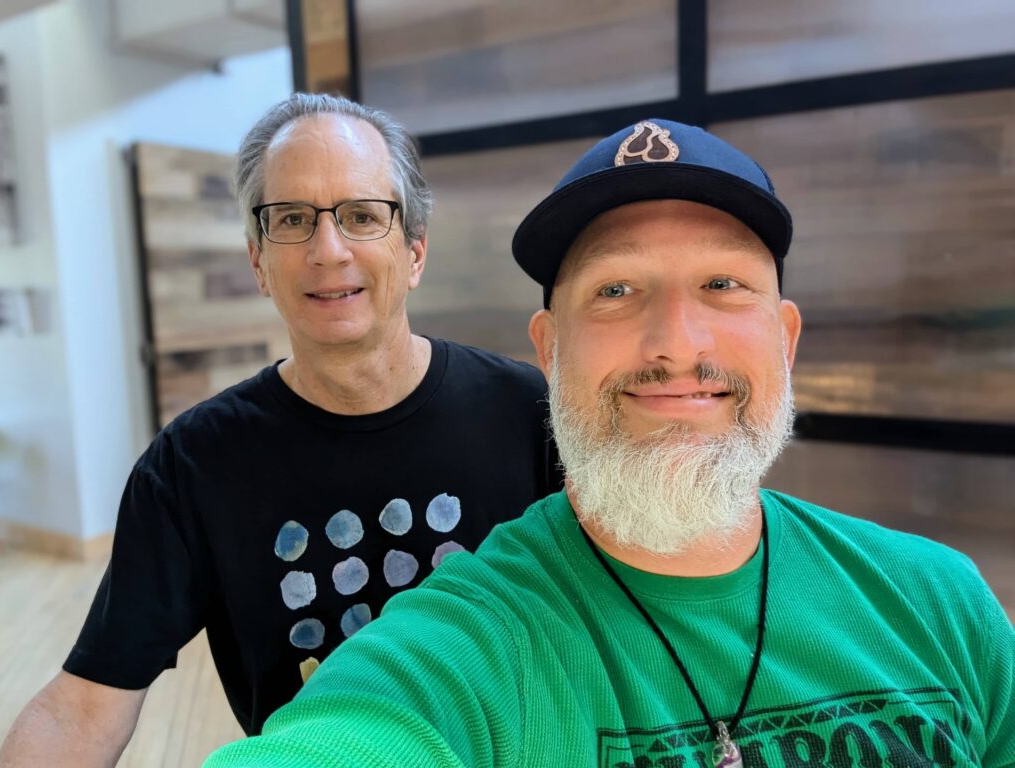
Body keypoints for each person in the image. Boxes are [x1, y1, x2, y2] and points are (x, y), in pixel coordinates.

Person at [203, 119, 1013, 768]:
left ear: (785, 339)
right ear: (549, 351)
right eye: (617, 291)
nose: (675, 341)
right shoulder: (475, 647)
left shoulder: (942, 604)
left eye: (723, 286)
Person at [0, 94, 560, 766]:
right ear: (259, 261)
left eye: (361, 216)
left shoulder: (531, 414)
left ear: (414, 252)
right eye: (291, 219)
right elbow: (83, 706)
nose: (328, 249)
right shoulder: (194, 466)